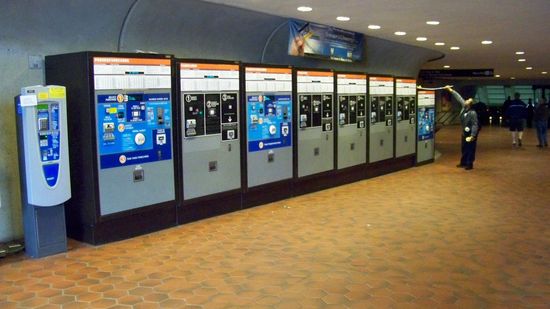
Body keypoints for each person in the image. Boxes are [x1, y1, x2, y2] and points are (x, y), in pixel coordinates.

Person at [445, 86, 479, 170]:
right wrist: (450, 90)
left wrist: (472, 136)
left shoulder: (473, 113)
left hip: (470, 133)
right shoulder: (464, 107)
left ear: (470, 105)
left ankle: (469, 164)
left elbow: (475, 124)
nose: (466, 101)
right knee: (464, 148)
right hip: (464, 132)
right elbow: (458, 97)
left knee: (470, 148)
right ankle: (463, 162)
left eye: (468, 101)